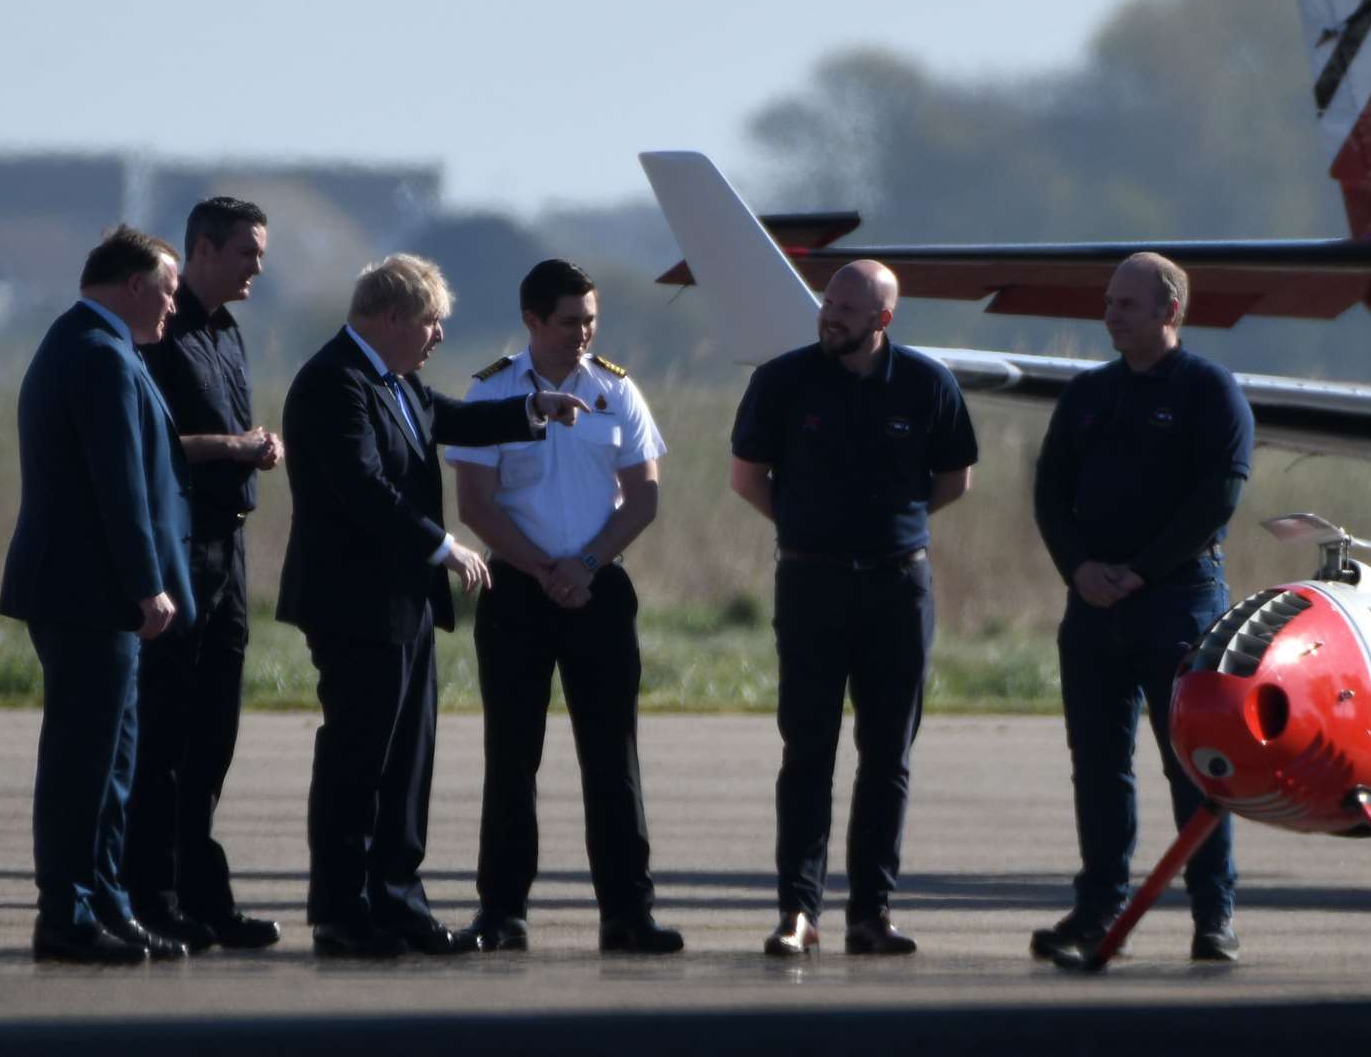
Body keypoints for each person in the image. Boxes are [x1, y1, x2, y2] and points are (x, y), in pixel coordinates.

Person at [276, 253, 586, 958]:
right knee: (357, 762)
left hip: (404, 605)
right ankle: (342, 911)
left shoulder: (395, 380)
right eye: (431, 321)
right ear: (390, 318)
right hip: (354, 605)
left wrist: (532, 408)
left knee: (407, 760)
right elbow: (360, 485)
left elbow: (448, 418)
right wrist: (442, 546)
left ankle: (396, 899)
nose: (440, 334)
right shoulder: (335, 383)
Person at [729, 259, 977, 956]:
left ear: (882, 320)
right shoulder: (783, 381)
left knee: (887, 755)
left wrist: (891, 526)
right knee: (807, 750)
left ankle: (870, 913)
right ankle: (797, 912)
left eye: (846, 309)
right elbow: (747, 478)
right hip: (812, 584)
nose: (829, 317)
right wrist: (809, 529)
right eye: (827, 303)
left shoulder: (926, 384)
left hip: (898, 589)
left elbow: (954, 477)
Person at [447, 259, 682, 954]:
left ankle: (627, 913)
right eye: (569, 321)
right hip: (517, 588)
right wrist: (541, 568)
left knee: (612, 757)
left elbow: (642, 495)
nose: (582, 333)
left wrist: (582, 566)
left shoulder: (615, 389)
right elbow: (475, 504)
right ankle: (502, 913)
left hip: (598, 586)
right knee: (512, 756)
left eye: (590, 321)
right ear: (533, 321)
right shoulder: (491, 391)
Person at [1030, 251, 1253, 963]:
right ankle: (1098, 911)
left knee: (1194, 766)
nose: (1110, 313)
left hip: (1178, 605)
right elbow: (1049, 493)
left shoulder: (1208, 392)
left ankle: (1211, 919)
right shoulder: (1087, 394)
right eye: (1108, 301)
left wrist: (1140, 572)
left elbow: (1217, 496)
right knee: (1096, 764)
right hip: (1093, 608)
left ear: (1170, 312)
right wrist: (1080, 570)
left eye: (1127, 304)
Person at [0, 225, 197, 964]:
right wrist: (147, 585)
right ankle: (67, 916)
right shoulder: (98, 354)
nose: (173, 308)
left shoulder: (92, 345)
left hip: (87, 592)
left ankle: (104, 902)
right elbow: (119, 489)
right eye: (169, 292)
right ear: (137, 286)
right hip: (88, 594)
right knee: (85, 764)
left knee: (113, 761)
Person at [124, 197, 282, 951]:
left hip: (231, 548)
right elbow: (150, 444)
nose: (259, 265)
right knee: (167, 731)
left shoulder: (224, 331)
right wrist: (231, 447)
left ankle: (201, 894)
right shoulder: (161, 331)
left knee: (213, 731)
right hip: (184, 547)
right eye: (249, 251)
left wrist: (252, 448)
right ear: (205, 250)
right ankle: (151, 898)